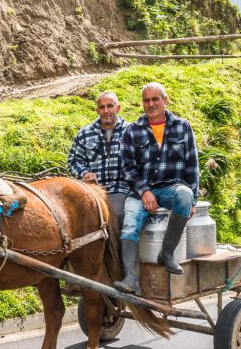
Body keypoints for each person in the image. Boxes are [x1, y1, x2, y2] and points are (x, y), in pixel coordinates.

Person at [114, 82, 199, 291]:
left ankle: (167, 253)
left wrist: (192, 201)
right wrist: (144, 191)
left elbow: (192, 165)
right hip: (140, 191)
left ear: (165, 100)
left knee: (185, 195)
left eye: (155, 99)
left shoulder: (182, 126)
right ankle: (131, 278)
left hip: (171, 188)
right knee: (130, 223)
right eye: (146, 100)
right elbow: (127, 168)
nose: (151, 104)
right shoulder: (132, 131)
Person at [67, 91, 133, 234]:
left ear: (118, 108)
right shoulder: (85, 133)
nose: (106, 111)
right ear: (97, 110)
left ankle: (116, 255)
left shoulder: (131, 131)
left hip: (120, 188)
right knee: (76, 218)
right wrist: (85, 173)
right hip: (93, 190)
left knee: (116, 215)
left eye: (110, 106)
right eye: (102, 107)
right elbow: (73, 160)